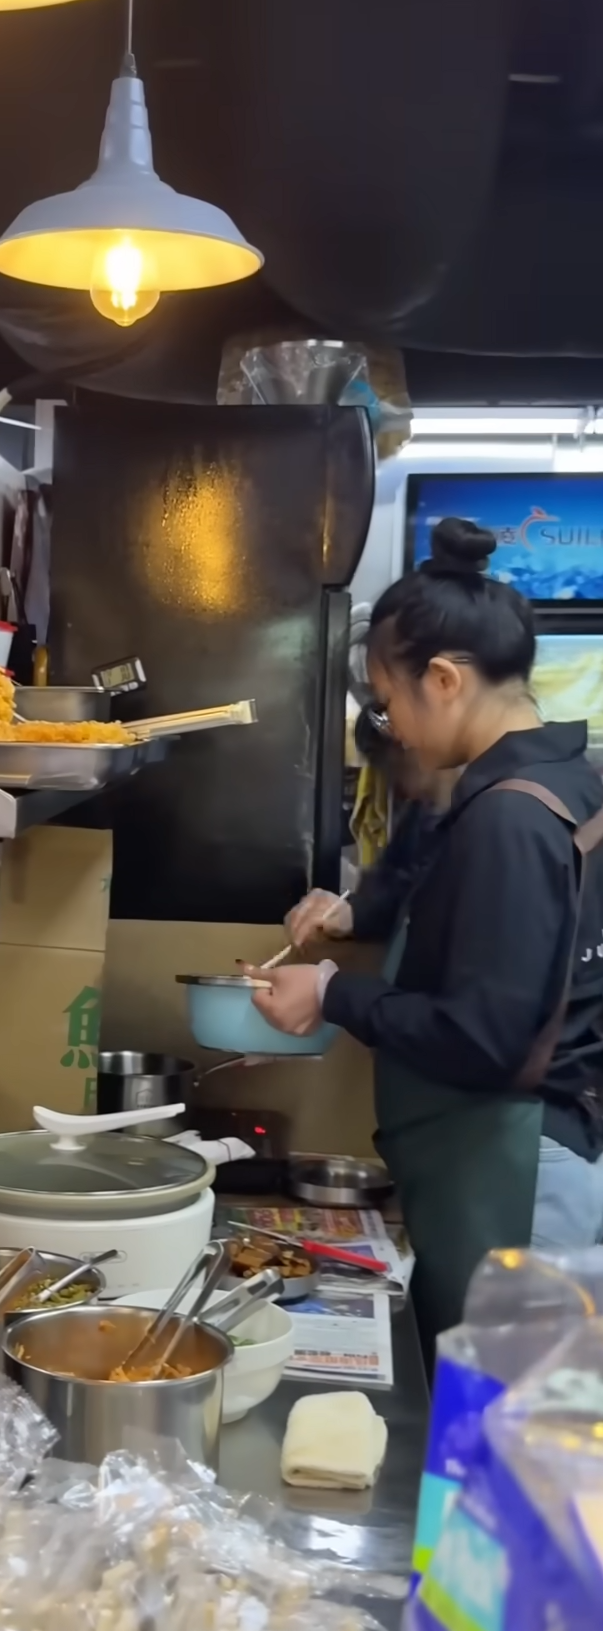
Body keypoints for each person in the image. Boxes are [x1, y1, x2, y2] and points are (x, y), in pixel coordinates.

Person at [248, 517, 603, 1352]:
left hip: (521, 1176)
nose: (392, 727)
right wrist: (358, 913)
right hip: (527, 1158)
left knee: (508, 1432)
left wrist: (333, 992)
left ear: (443, 679)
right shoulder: (557, 780)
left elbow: (483, 1037)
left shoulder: (509, 819)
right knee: (500, 1419)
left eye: (389, 700)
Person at [289, 706, 457, 953]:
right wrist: (349, 910)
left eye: (392, 766)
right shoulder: (420, 810)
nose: (393, 781)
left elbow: (426, 905)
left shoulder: (483, 813)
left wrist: (358, 914)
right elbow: (389, 882)